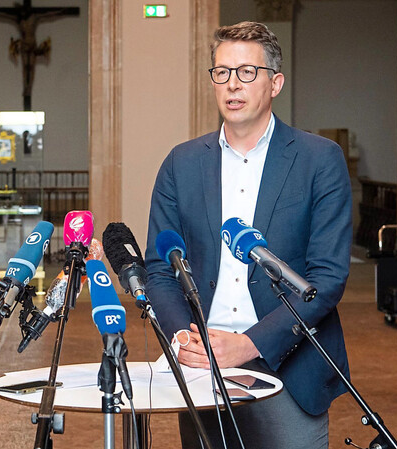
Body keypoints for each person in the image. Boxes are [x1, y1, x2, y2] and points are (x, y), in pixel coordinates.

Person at [144, 22, 351, 448]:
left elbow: (326, 278)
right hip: (203, 370)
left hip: (290, 366)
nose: (232, 85)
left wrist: (250, 343)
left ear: (275, 83)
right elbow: (159, 268)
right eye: (221, 72)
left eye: (246, 72)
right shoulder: (180, 164)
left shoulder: (319, 160)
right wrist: (184, 338)